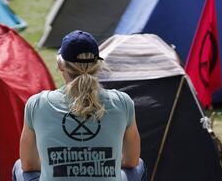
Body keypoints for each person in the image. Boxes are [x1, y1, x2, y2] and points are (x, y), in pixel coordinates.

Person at [13, 30, 147, 181]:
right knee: (139, 166)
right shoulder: (123, 102)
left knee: (19, 167)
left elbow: (28, 165)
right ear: (97, 64)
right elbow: (131, 161)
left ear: (60, 64)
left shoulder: (37, 104)